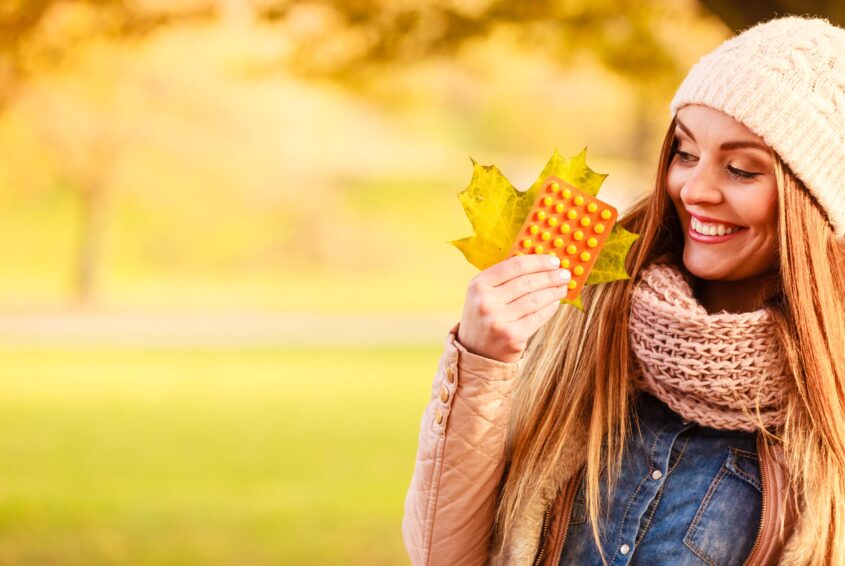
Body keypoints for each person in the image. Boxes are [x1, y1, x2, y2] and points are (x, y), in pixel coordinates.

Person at [402, 15, 845, 566]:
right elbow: (440, 555)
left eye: (739, 169)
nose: (695, 189)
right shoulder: (583, 317)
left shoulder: (832, 397)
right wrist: (480, 363)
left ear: (815, 207)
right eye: (685, 153)